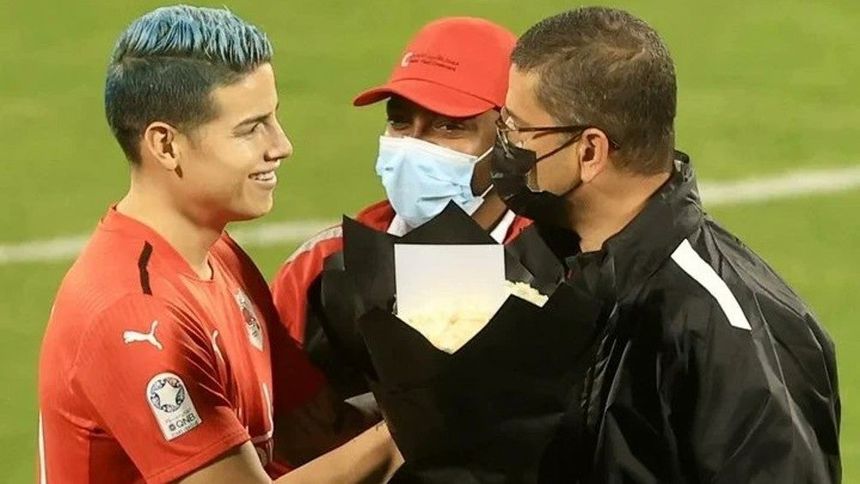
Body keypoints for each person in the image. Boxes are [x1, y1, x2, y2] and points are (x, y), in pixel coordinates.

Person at [37, 6, 400, 483]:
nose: (281, 145)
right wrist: (404, 434)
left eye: (274, 118)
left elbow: (315, 427)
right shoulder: (134, 317)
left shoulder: (219, 255)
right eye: (251, 128)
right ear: (166, 145)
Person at [490, 6, 841, 482]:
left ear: (590, 151)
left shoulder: (731, 333)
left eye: (516, 129)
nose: (503, 145)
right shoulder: (534, 265)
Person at [271, 17, 532, 396]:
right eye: (399, 121)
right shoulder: (319, 266)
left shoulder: (557, 264)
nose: (413, 147)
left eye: (450, 126)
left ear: (511, 139)